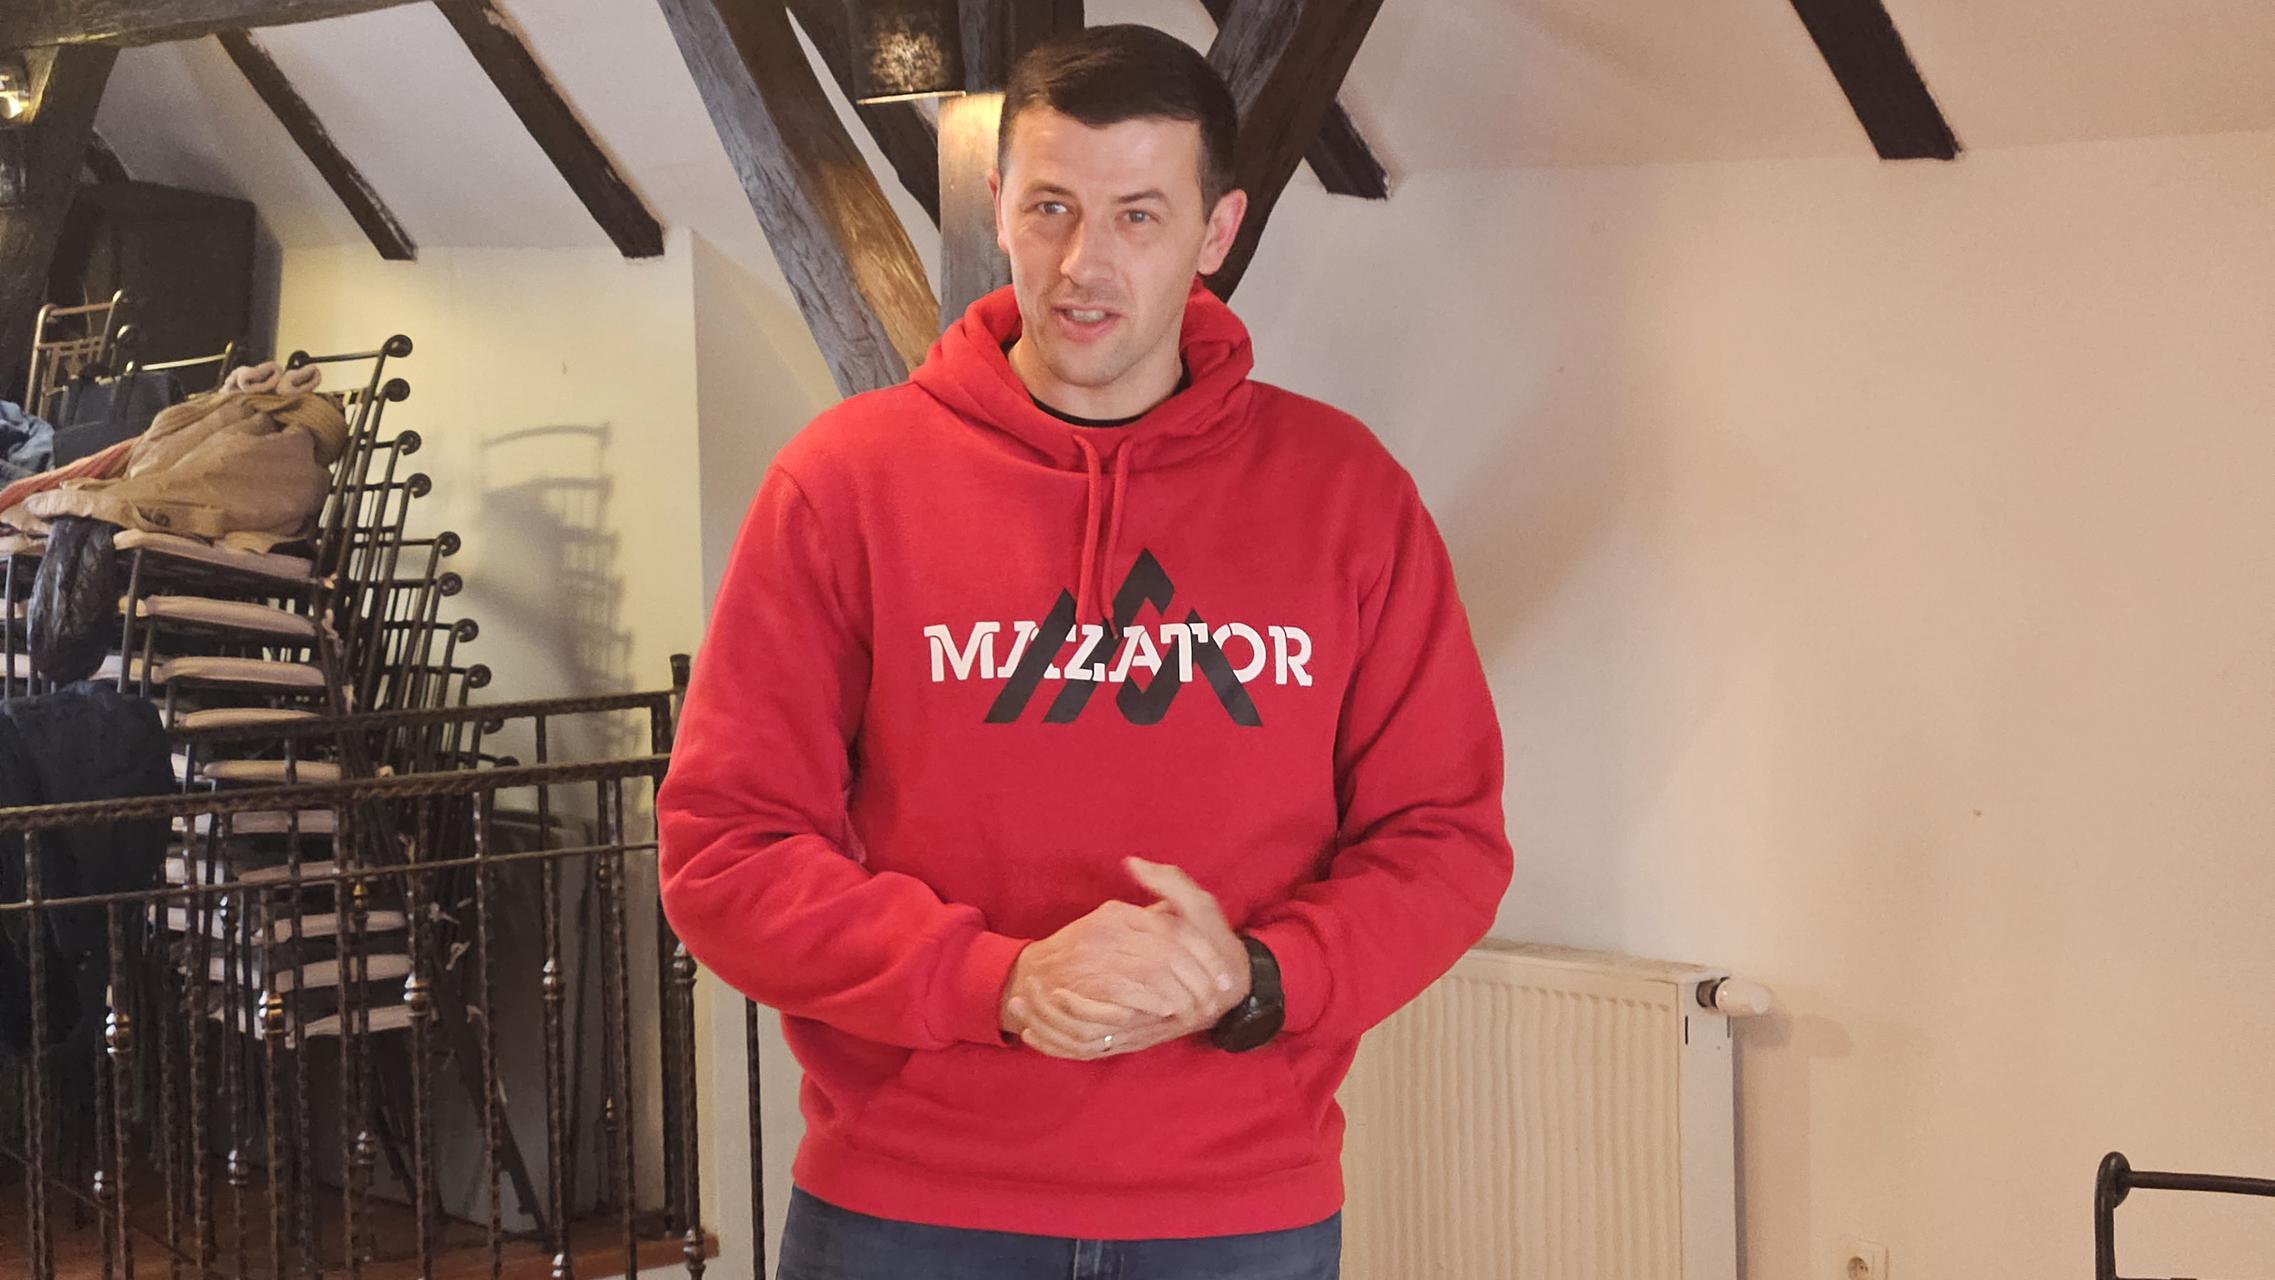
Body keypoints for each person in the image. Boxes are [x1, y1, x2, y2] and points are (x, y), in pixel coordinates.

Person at [658, 23, 1512, 1280]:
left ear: (1216, 232)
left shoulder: (1346, 495)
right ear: (997, 204)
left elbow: (1445, 840)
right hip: (906, 1205)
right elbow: (726, 850)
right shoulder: (845, 484)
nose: (1083, 264)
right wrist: (992, 980)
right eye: (1050, 206)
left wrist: (1262, 975)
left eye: (1138, 216)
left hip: (1238, 1212)